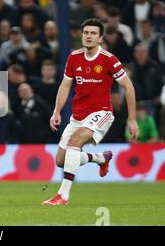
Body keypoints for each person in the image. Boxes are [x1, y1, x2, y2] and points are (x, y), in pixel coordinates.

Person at [42, 18, 139, 206]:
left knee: (74, 142)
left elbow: (128, 87)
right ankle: (99, 158)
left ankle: (63, 195)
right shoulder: (74, 57)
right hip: (77, 116)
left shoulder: (109, 60)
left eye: (93, 33)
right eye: (86, 33)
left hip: (101, 113)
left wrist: (132, 120)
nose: (88, 36)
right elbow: (65, 85)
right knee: (61, 161)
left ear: (100, 37)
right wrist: (56, 112)